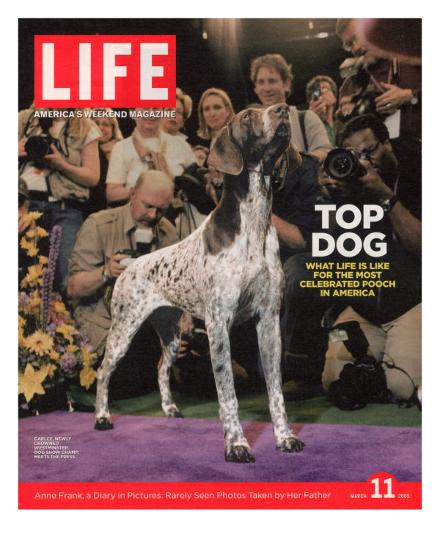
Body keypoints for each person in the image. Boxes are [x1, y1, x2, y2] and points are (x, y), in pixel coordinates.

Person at [321, 114, 421, 402]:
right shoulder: (350, 188)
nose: (365, 161)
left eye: (370, 151)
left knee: (401, 387)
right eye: (355, 156)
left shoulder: (419, 173)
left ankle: (393, 365)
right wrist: (330, 199)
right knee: (335, 382)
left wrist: (386, 197)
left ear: (387, 143)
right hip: (365, 310)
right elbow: (335, 256)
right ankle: (378, 368)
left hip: (413, 305)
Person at [68, 170, 178, 399]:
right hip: (103, 326)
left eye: (161, 209)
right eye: (148, 206)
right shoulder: (99, 225)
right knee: (124, 377)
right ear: (132, 194)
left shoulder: (167, 232)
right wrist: (106, 272)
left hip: (146, 327)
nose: (153, 214)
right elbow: (74, 288)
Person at [18, 107, 100, 292]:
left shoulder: (86, 126)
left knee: (66, 275)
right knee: (22, 272)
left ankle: (64, 319)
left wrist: (61, 165)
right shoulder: (25, 119)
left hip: (65, 209)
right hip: (23, 204)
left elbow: (93, 177)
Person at [335, 19, 421, 143]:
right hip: (384, 158)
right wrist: (347, 118)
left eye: (358, 38)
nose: (356, 47)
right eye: (349, 44)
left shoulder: (411, 56)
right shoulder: (350, 86)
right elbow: (343, 140)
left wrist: (410, 96)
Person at [105, 108, 196, 206]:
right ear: (133, 113)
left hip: (179, 215)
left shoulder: (180, 144)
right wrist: (141, 191)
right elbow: (112, 193)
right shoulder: (122, 147)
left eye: (156, 108)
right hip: (138, 216)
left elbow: (196, 184)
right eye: (145, 108)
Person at [250, 53, 331, 162]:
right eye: (261, 82)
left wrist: (291, 165)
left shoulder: (306, 118)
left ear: (286, 84)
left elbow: (324, 151)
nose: (267, 88)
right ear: (255, 88)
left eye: (272, 81)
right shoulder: (250, 126)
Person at [83, 109, 123, 218]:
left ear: (113, 129)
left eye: (106, 124)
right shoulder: (82, 149)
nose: (100, 128)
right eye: (96, 123)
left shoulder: (121, 150)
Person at [306, 75, 338, 145]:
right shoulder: (305, 124)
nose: (322, 92)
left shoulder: (341, 124)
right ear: (311, 100)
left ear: (334, 98)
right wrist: (309, 120)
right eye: (317, 91)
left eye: (326, 89)